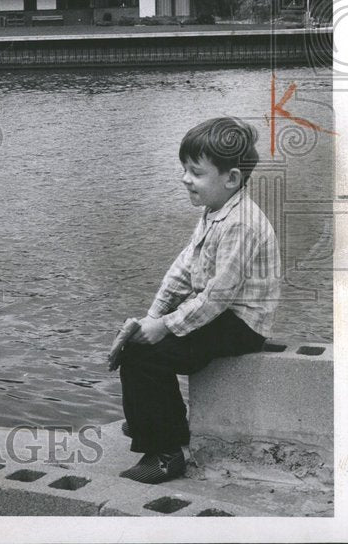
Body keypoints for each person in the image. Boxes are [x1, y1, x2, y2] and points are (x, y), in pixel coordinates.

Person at [117, 117, 280, 484]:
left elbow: (218, 297)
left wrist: (166, 327)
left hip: (242, 325)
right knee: (139, 342)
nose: (185, 179)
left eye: (195, 172)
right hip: (220, 312)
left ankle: (165, 452)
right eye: (184, 170)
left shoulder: (241, 223)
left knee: (144, 357)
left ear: (232, 179)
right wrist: (151, 319)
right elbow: (182, 271)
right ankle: (154, 421)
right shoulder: (216, 211)